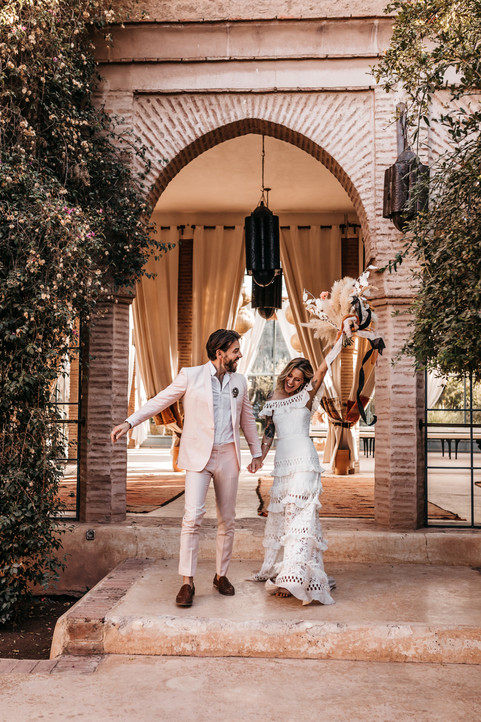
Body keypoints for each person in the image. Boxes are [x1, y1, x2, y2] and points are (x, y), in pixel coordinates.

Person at [111, 329, 263, 608]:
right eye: (235, 351)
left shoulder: (239, 381)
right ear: (220, 353)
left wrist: (256, 452)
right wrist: (130, 422)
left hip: (228, 455)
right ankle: (187, 582)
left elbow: (247, 418)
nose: (239, 355)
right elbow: (161, 400)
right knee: (192, 517)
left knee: (227, 520)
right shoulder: (190, 376)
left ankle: (221, 575)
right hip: (198, 458)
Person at [251, 356, 335, 605]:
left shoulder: (306, 396)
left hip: (305, 462)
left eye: (298, 379)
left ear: (304, 382)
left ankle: (292, 578)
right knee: (288, 518)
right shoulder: (273, 399)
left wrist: (342, 335)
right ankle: (304, 571)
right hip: (283, 464)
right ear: (285, 373)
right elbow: (268, 433)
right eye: (290, 376)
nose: (291, 381)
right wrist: (259, 457)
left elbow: (322, 367)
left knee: (296, 514)